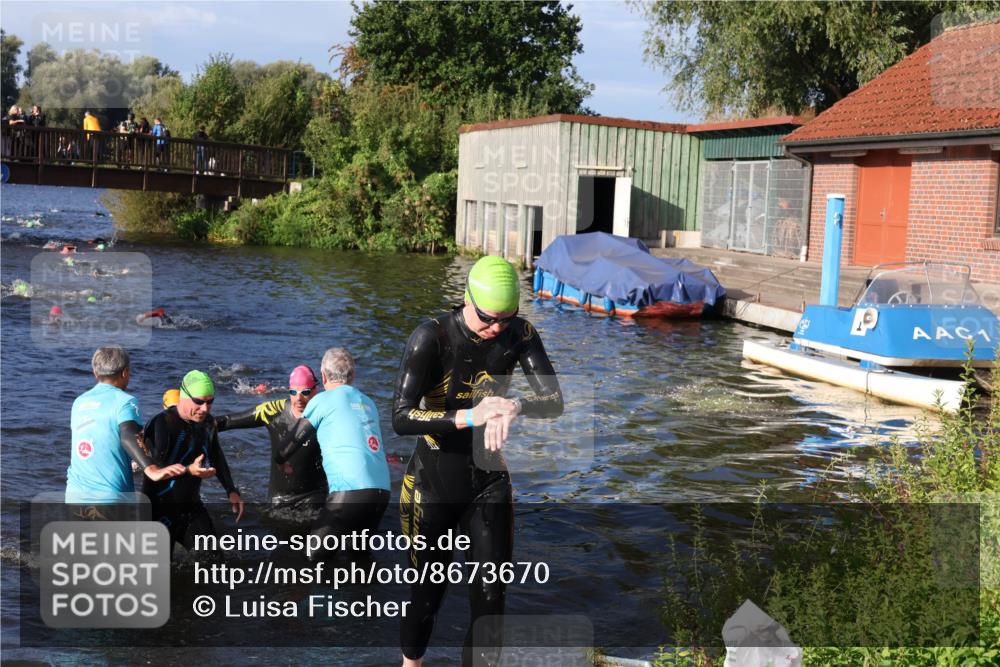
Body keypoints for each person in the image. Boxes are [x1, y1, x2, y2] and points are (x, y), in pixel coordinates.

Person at [393, 256, 563, 667]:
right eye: (488, 319)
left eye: (507, 318)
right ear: (467, 299)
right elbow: (400, 417)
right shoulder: (431, 338)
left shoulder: (520, 333)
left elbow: (554, 400)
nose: (497, 328)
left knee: (491, 599)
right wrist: (471, 416)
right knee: (427, 595)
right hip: (432, 481)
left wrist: (516, 406)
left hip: (488, 479)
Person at [275, 349, 390, 558]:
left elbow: (292, 442)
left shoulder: (322, 400)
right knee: (359, 557)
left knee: (313, 557)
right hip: (381, 492)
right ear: (353, 376)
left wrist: (280, 460)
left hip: (350, 491)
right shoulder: (368, 402)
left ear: (324, 376)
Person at [65, 346, 185, 505]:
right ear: (125, 372)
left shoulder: (79, 402)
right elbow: (129, 434)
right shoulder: (125, 402)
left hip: (75, 495)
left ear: (95, 373)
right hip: (110, 498)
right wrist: (151, 468)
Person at [141, 370, 244, 555]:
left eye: (210, 402)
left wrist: (231, 490)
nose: (205, 408)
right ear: (183, 395)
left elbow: (216, 455)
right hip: (158, 511)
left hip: (191, 508)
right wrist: (189, 470)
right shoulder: (162, 423)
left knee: (213, 562)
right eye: (199, 401)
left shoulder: (208, 423)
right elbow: (155, 471)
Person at [214, 365, 328, 509]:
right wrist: (199, 425)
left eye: (305, 392)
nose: (298, 398)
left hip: (315, 496)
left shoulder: (327, 415)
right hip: (279, 499)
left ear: (315, 391)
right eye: (293, 392)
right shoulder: (273, 410)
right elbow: (228, 421)